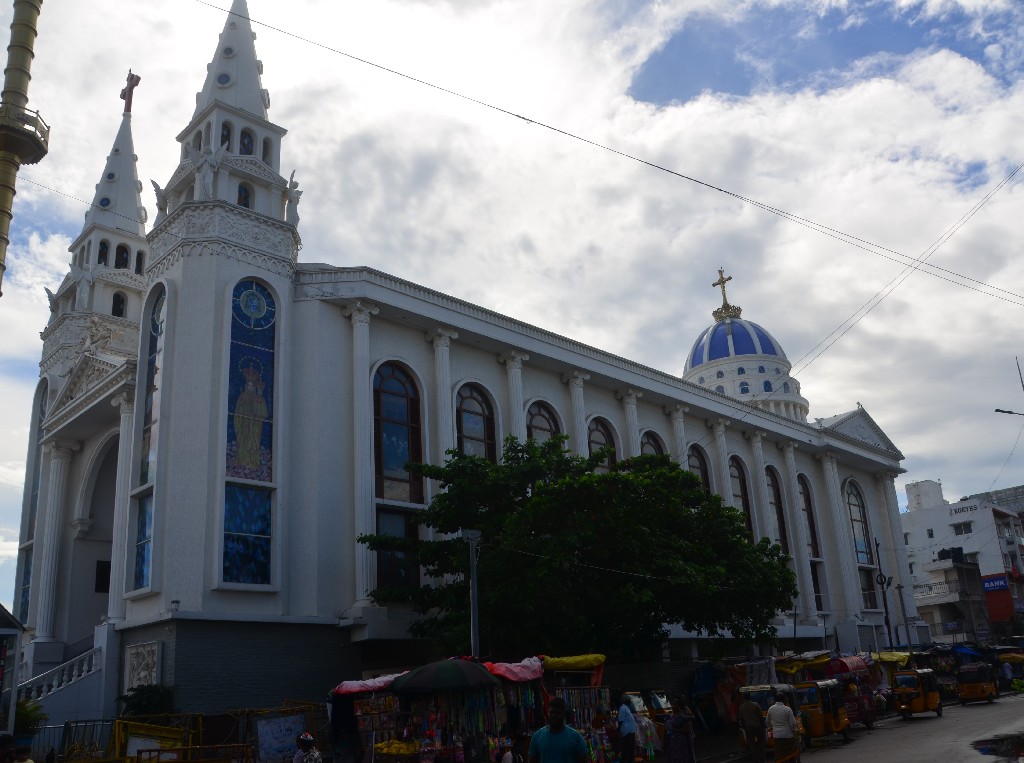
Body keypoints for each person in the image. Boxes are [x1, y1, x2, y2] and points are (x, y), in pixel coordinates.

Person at [529, 697, 589, 763]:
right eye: (551, 712)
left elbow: (584, 760)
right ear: (547, 713)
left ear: (564, 714)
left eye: (558, 713)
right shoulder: (537, 737)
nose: (554, 716)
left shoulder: (575, 737)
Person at [766, 693, 800, 763]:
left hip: (777, 736)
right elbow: (793, 723)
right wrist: (794, 731)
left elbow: (767, 721)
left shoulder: (771, 709)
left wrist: (771, 727)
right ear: (783, 699)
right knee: (791, 754)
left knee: (780, 754)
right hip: (788, 735)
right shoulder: (787, 709)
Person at [663, 698, 696, 763]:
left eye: (675, 704)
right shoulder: (670, 716)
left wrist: (674, 729)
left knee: (681, 757)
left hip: (680, 741)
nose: (673, 706)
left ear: (679, 706)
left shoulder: (682, 717)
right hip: (671, 741)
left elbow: (687, 730)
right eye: (672, 704)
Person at [736, 695, 765, 763]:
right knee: (761, 742)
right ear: (750, 698)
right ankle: (761, 759)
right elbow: (760, 716)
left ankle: (755, 759)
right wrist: (763, 724)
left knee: (752, 744)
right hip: (758, 726)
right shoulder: (755, 705)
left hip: (748, 728)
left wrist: (744, 727)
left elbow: (741, 719)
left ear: (744, 699)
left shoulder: (741, 707)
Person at [616, 694, 637, 763]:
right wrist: (618, 730)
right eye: (629, 700)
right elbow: (620, 720)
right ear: (625, 701)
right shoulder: (622, 708)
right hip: (627, 732)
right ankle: (626, 760)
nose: (630, 702)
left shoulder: (626, 708)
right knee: (627, 748)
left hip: (630, 731)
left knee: (630, 748)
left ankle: (630, 760)